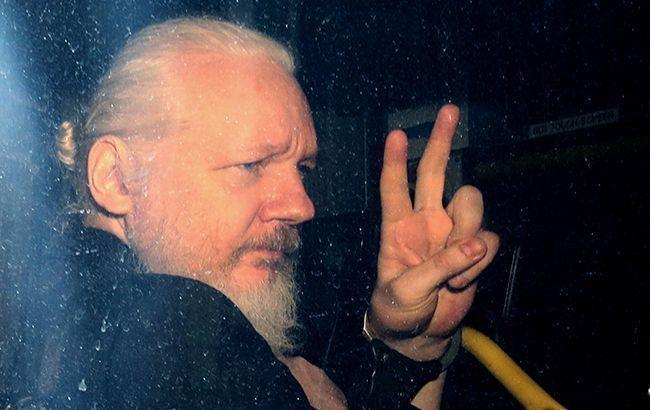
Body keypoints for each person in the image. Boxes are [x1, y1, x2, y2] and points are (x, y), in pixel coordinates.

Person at [46, 17, 499, 409]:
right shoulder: (174, 330)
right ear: (116, 178)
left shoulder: (66, 330)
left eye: (302, 169)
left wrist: (414, 344)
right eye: (251, 164)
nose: (302, 206)